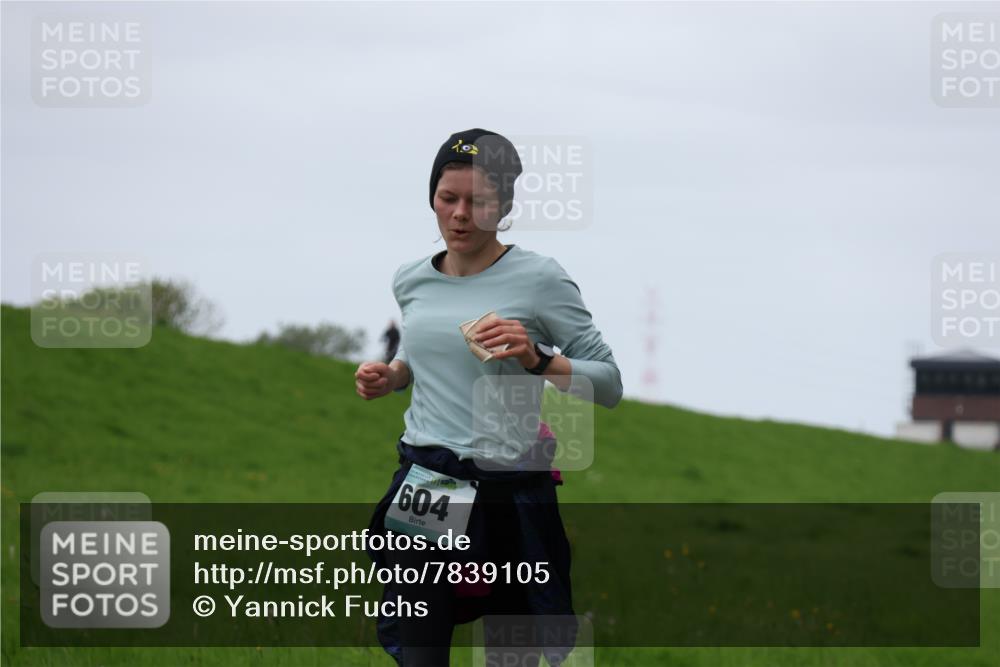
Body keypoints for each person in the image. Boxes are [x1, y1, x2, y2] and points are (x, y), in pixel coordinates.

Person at [354, 129, 623, 666]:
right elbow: (421, 354)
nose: (458, 214)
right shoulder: (412, 280)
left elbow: (609, 383)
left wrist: (538, 360)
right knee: (419, 650)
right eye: (447, 197)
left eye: (476, 202)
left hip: (510, 487)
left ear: (503, 206)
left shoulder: (540, 279)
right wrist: (395, 374)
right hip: (431, 481)